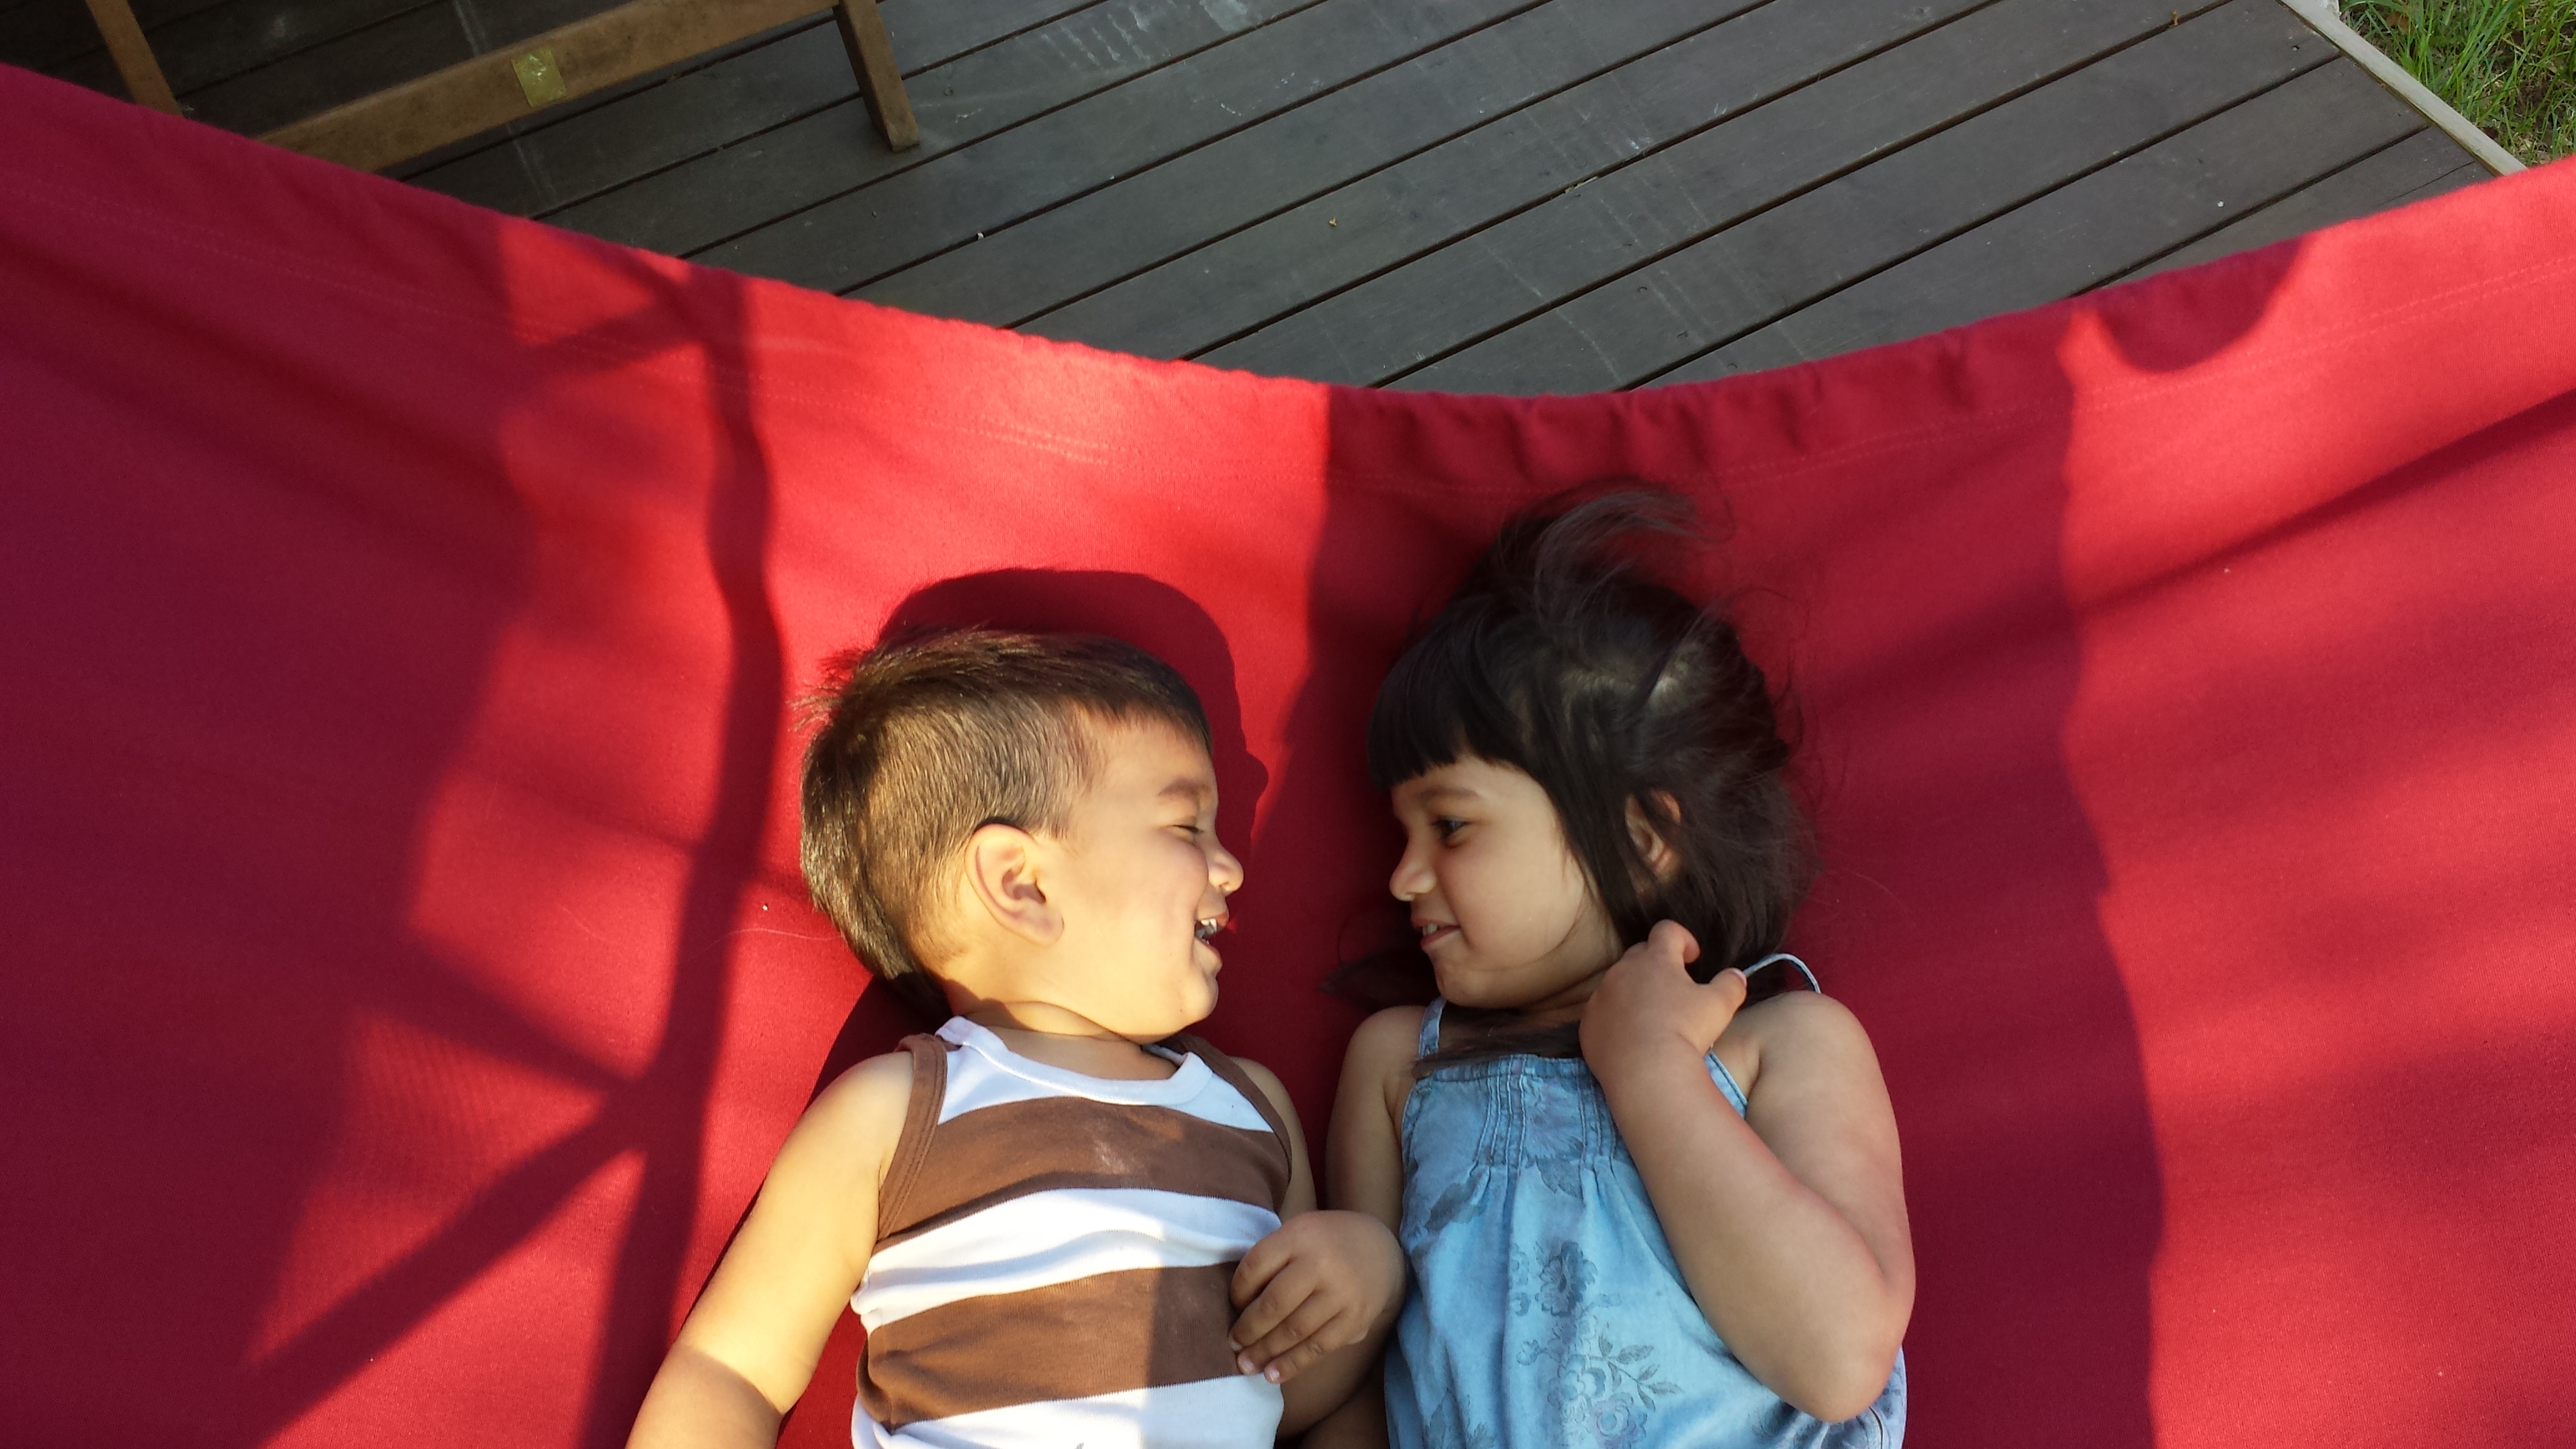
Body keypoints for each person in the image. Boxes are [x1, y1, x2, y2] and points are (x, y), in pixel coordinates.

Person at [629, 630, 1405, 1449]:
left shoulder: (1250, 1109)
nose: (1231, 867)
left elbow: (1288, 1390)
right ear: (1020, 883)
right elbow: (732, 1368)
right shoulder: (895, 1114)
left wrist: (1369, 1274)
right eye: (1187, 827)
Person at [1314, 493, 1913, 1449]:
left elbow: (1839, 1360)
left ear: (1640, 841)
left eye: (1452, 825)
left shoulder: (1785, 1043)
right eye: (1401, 832)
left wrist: (1654, 1069)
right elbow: (1357, 1373)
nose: (1404, 876)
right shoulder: (1398, 1067)